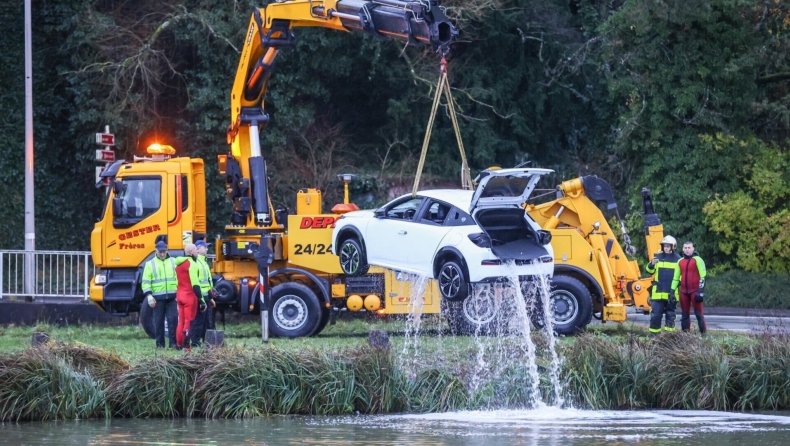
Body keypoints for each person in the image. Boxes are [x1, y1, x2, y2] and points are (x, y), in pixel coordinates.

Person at [141, 240, 178, 348]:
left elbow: (178, 278)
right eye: (160, 252)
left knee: (173, 320)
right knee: (158, 321)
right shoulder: (150, 264)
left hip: (172, 296)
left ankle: (173, 343)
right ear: (156, 251)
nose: (162, 254)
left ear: (167, 250)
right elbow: (146, 281)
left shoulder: (173, 261)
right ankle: (160, 344)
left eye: (164, 252)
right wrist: (149, 295)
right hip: (157, 298)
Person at [645, 235, 681, 337]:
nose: (666, 248)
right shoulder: (657, 257)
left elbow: (681, 277)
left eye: (668, 246)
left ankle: (669, 338)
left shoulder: (678, 260)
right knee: (655, 315)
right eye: (664, 246)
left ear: (673, 247)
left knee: (670, 316)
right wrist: (651, 264)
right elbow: (649, 271)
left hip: (671, 294)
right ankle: (654, 337)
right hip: (657, 294)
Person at [174, 243, 203, 349]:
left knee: (181, 321)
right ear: (191, 252)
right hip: (189, 296)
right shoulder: (192, 264)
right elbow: (195, 284)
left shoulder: (178, 264)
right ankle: (187, 347)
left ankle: (179, 344)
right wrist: (201, 300)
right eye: (196, 249)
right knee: (188, 321)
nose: (198, 251)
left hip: (180, 294)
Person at [190, 239, 215, 347]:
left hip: (206, 295)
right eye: (205, 247)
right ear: (198, 249)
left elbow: (208, 282)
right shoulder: (197, 262)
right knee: (198, 321)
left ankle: (206, 341)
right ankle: (195, 342)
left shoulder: (203, 262)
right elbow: (196, 282)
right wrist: (201, 298)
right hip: (200, 296)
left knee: (206, 321)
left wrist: (210, 297)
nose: (207, 248)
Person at [679, 241, 708, 334]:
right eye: (685, 248)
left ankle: (704, 336)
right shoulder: (680, 261)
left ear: (693, 249)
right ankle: (685, 337)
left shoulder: (698, 260)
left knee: (699, 314)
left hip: (695, 291)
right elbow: (676, 278)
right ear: (683, 249)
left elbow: (703, 276)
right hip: (683, 292)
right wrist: (672, 291)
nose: (687, 250)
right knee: (684, 315)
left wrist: (701, 292)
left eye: (689, 248)